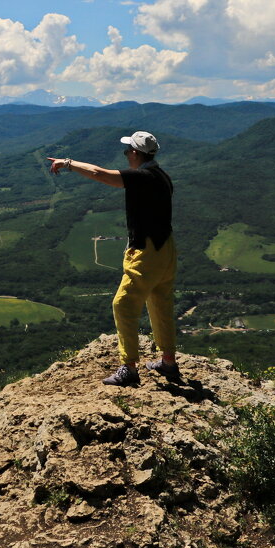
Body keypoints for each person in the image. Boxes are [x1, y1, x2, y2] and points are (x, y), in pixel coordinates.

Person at [48, 131, 180, 387]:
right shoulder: (162, 176)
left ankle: (129, 368)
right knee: (160, 302)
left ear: (135, 153)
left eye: (127, 151)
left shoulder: (142, 177)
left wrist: (67, 163)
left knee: (124, 304)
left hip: (147, 250)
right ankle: (168, 362)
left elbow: (99, 173)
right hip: (167, 248)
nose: (125, 155)